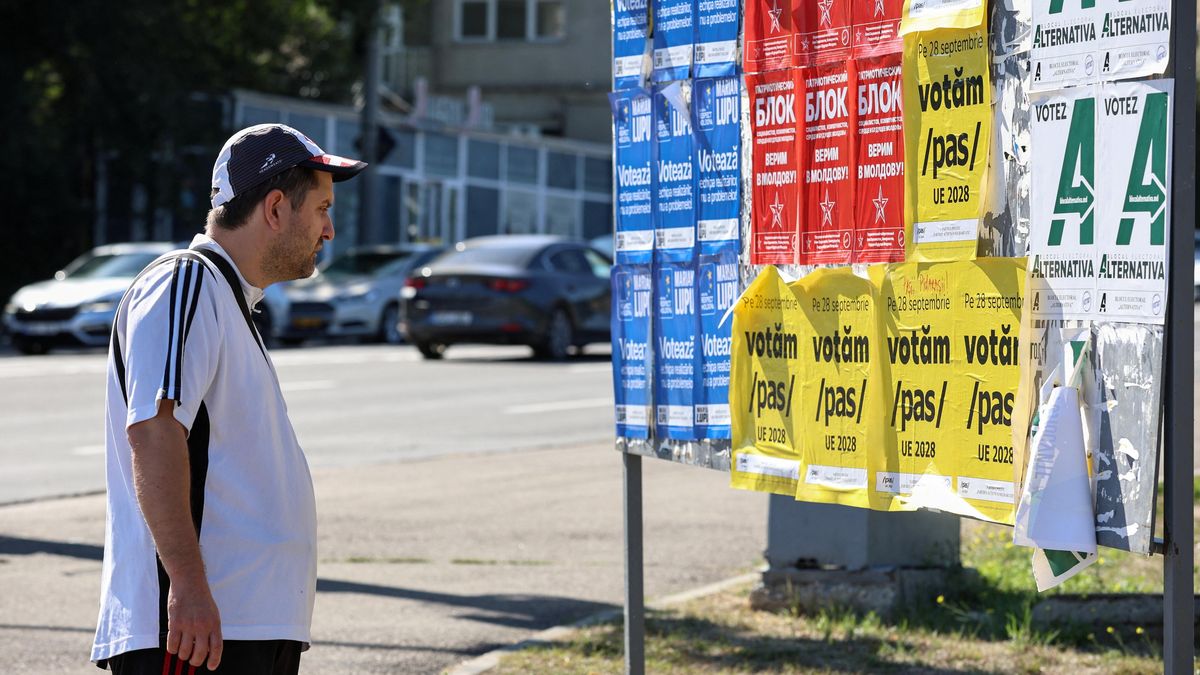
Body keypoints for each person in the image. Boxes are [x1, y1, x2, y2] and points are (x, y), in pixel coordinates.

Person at [91, 124, 366, 674]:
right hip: (198, 634)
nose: (329, 230)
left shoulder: (228, 300)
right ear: (274, 208)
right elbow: (153, 430)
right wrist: (189, 589)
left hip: (239, 628)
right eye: (321, 209)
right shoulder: (186, 283)